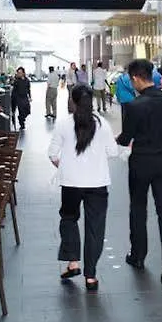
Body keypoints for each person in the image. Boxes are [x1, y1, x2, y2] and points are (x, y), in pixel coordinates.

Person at [48, 84, 120, 291]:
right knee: (95, 227)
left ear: (72, 100)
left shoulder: (64, 124)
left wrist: (65, 166)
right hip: (97, 183)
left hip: (71, 183)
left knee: (69, 219)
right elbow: (113, 152)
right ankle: (91, 275)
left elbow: (52, 153)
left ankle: (73, 262)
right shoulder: (103, 124)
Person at [116, 59, 162, 286]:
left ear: (134, 78)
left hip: (141, 161)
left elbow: (126, 138)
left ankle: (138, 255)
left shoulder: (134, 105)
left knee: (138, 208)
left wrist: (117, 139)